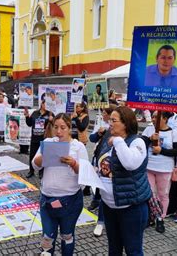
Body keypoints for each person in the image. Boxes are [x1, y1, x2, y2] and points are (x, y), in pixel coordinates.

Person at [32, 113, 89, 256]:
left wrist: (74, 163)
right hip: (48, 199)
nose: (58, 131)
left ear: (69, 128)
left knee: (67, 235)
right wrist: (44, 157)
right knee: (47, 237)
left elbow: (85, 173)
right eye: (55, 127)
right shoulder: (48, 143)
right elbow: (35, 165)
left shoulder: (78, 147)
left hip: (70, 200)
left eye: (63, 127)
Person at [100, 106, 151, 255]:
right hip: (109, 206)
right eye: (110, 120)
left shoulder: (137, 142)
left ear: (126, 123)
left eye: (113, 120)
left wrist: (117, 141)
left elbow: (130, 163)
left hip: (131, 208)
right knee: (114, 249)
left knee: (133, 250)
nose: (110, 123)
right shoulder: (109, 138)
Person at [142, 111, 177, 233]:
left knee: (163, 194)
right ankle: (149, 216)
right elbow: (140, 144)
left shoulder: (174, 133)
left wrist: (162, 150)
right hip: (149, 167)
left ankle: (160, 218)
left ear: (164, 118)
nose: (154, 119)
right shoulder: (149, 129)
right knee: (149, 193)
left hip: (164, 169)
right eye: (153, 116)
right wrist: (150, 139)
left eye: (157, 116)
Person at [88, 106, 115, 237]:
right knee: (102, 192)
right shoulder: (104, 128)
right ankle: (101, 221)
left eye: (106, 113)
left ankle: (107, 221)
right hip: (101, 165)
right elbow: (92, 139)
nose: (104, 115)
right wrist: (99, 133)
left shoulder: (124, 135)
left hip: (114, 170)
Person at [24, 100, 54, 178]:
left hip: (44, 138)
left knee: (43, 156)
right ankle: (31, 171)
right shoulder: (35, 113)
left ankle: (41, 172)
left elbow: (55, 125)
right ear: (42, 104)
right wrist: (27, 116)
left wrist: (52, 120)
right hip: (34, 138)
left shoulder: (50, 114)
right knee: (32, 155)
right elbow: (29, 123)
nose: (46, 105)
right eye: (45, 103)